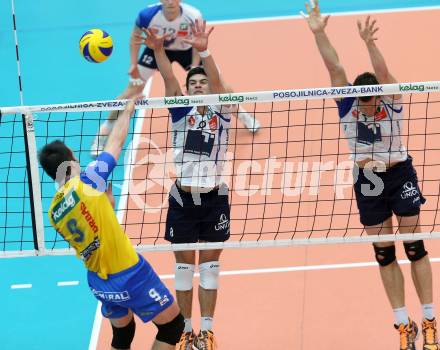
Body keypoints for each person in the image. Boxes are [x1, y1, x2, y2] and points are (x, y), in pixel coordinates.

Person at [302, 1, 439, 349]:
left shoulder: (390, 101)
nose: (368, 107)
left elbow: (384, 70)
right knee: (384, 253)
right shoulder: (349, 105)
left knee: (414, 247)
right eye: (362, 102)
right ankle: (402, 325)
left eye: (371, 100)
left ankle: (429, 320)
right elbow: (335, 68)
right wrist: (319, 32)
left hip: (399, 174)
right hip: (368, 181)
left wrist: (369, 43)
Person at [39, 99, 185, 350]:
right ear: (71, 159)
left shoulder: (53, 211)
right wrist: (127, 110)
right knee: (173, 327)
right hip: (129, 272)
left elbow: (90, 225)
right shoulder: (89, 180)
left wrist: (107, 203)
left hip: (100, 281)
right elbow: (116, 142)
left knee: (123, 334)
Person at [138, 19, 233, 350]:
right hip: (183, 196)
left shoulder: (222, 110)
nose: (197, 85)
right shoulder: (180, 111)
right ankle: (187, 332)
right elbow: (168, 77)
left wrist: (204, 52)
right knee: (182, 268)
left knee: (209, 267)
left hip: (214, 197)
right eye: (193, 82)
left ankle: (206, 332)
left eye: (202, 82)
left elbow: (219, 83)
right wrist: (159, 50)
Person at [90, 0, 259, 158]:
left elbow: (196, 42)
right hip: (156, 49)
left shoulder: (193, 15)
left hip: (187, 49)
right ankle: (104, 132)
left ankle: (243, 116)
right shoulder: (147, 16)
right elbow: (135, 38)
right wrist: (133, 64)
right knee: (131, 91)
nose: (170, 2)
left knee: (220, 86)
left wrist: (193, 66)